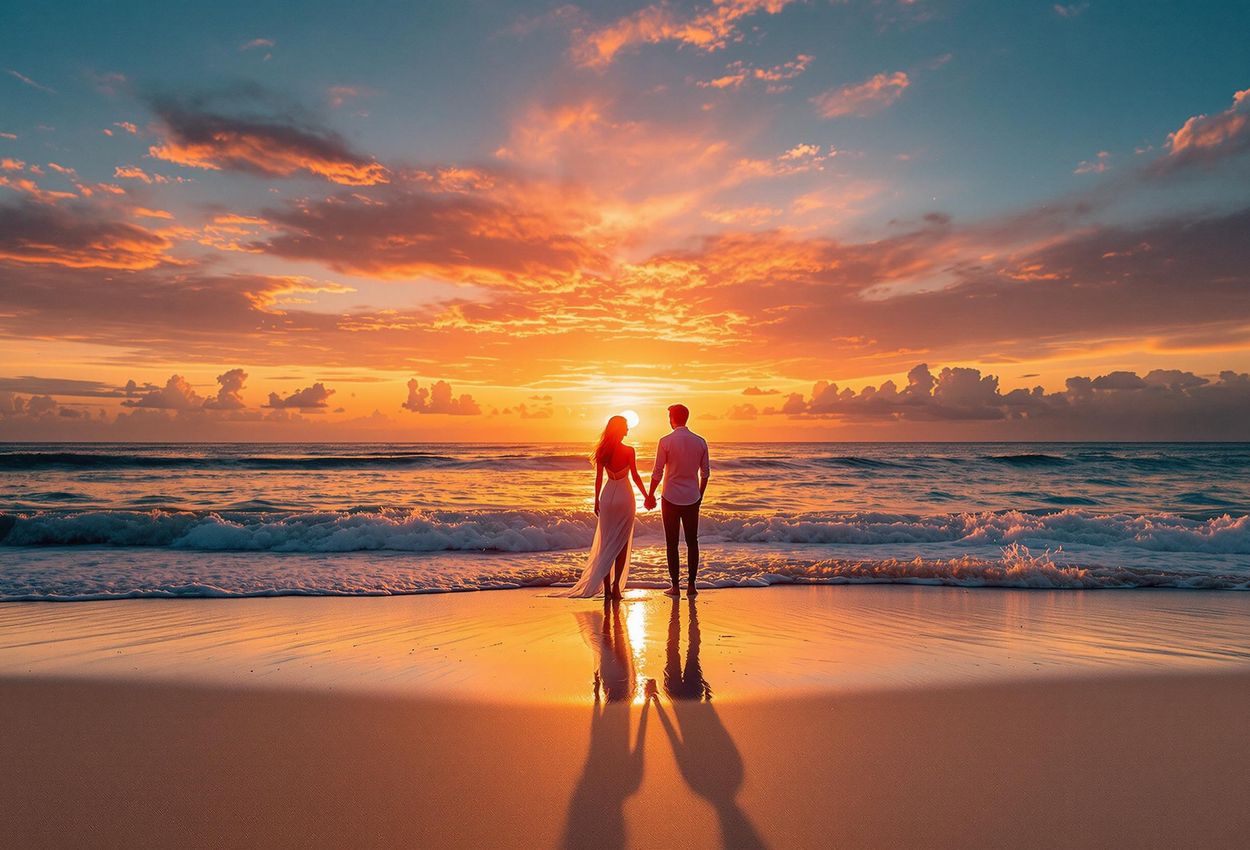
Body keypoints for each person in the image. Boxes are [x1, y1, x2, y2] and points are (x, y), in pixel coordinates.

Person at [559, 415, 648, 599]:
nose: (628, 430)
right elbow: (636, 476)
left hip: (607, 497)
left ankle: (607, 589)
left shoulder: (602, 451)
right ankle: (616, 588)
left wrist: (596, 500)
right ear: (619, 429)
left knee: (607, 543)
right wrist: (646, 496)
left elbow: (599, 478)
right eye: (625, 426)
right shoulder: (629, 450)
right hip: (625, 497)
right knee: (621, 544)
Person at [644, 404, 710, 597]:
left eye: (669, 416)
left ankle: (675, 586)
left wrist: (650, 495)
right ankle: (691, 585)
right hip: (692, 497)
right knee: (692, 542)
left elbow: (657, 472)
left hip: (670, 498)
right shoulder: (700, 442)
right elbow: (705, 473)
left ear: (673, 418)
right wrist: (700, 495)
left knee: (671, 543)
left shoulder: (665, 441)